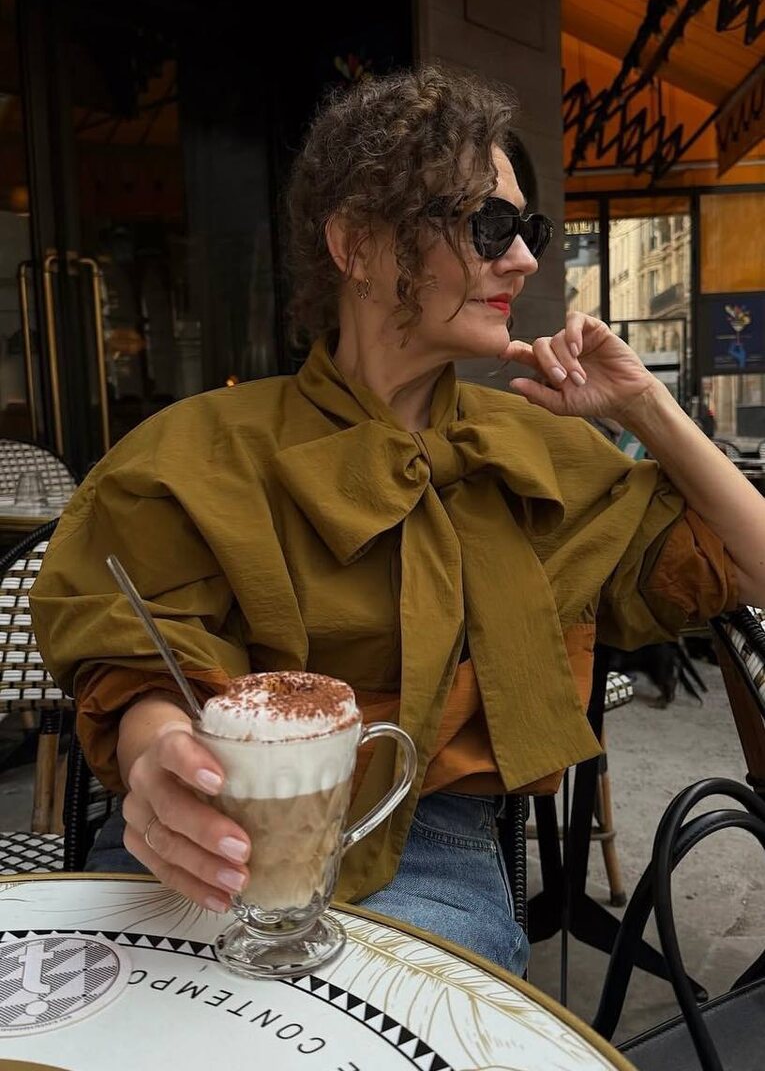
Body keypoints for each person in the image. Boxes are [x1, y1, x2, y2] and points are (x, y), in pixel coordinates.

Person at [30, 66, 765, 978]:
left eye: (528, 231)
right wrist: (158, 754)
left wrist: (646, 407)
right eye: (488, 225)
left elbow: (751, 563)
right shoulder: (200, 448)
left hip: (429, 845)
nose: (524, 260)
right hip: (204, 843)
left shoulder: (533, 451)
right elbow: (137, 657)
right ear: (359, 245)